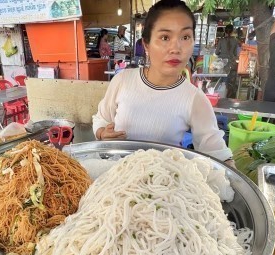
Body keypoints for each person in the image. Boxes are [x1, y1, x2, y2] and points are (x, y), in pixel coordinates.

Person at [92, 0, 233, 165]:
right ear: (146, 44)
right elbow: (101, 118)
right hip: (115, 178)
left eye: (185, 37)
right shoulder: (123, 80)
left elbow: (219, 156)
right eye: (165, 37)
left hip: (164, 185)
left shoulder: (194, 98)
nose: (176, 48)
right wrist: (102, 132)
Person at [216, 24, 240, 95]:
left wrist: (222, 52)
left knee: (221, 78)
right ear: (232, 31)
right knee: (228, 78)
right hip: (230, 62)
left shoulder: (221, 40)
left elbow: (216, 52)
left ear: (225, 31)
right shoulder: (235, 41)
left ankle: (219, 93)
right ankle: (226, 93)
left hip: (221, 63)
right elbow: (235, 54)